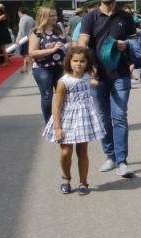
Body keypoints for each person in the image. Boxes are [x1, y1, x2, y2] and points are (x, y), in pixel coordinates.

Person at [79, 0, 136, 178]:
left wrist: (126, 45)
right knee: (103, 118)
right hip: (97, 76)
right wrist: (86, 63)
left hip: (120, 74)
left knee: (119, 116)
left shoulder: (126, 17)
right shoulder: (90, 17)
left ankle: (122, 161)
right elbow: (83, 41)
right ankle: (110, 156)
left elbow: (136, 40)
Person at [42, 46, 105, 196]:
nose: (78, 64)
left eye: (82, 61)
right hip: (66, 119)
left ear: (87, 62)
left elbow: (92, 81)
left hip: (83, 118)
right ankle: (66, 178)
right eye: (75, 61)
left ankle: (83, 182)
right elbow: (56, 106)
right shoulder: (64, 82)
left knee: (82, 151)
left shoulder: (88, 76)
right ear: (69, 62)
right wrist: (58, 128)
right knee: (66, 151)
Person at [29, 6, 68, 124]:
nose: (54, 18)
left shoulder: (59, 28)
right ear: (43, 17)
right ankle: (49, 123)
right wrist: (51, 50)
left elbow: (68, 42)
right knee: (47, 96)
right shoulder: (37, 33)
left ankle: (62, 121)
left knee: (63, 95)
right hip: (43, 68)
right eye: (51, 16)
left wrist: (68, 46)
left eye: (55, 15)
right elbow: (32, 52)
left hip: (60, 66)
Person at [17, 7, 35, 73]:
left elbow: (21, 30)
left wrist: (17, 39)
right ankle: (25, 68)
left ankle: (33, 67)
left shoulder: (22, 19)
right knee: (27, 53)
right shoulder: (31, 18)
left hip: (23, 39)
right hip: (30, 38)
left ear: (19, 12)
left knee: (25, 54)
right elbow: (34, 27)